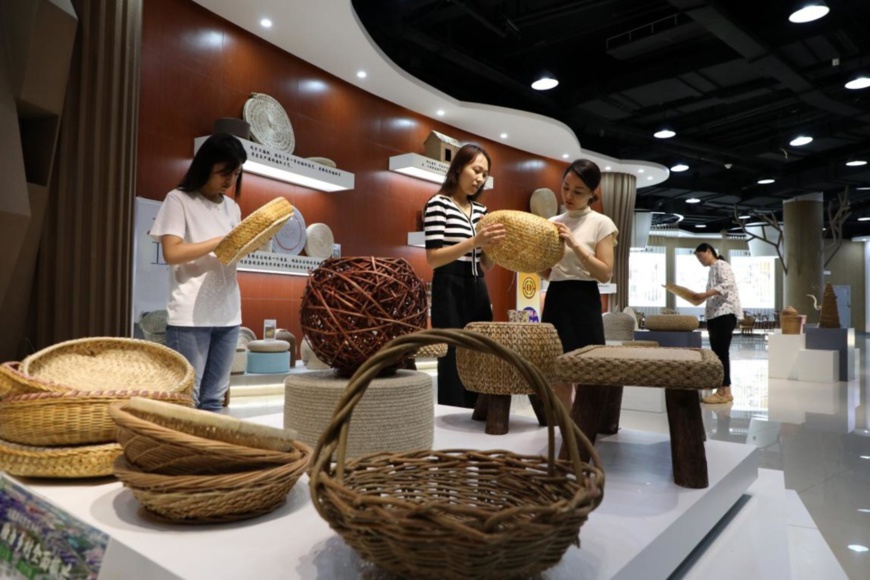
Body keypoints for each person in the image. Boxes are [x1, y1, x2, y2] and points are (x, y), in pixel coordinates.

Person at [149, 133, 247, 412]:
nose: (229, 181)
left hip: (228, 312)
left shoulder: (233, 207)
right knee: (186, 401)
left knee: (214, 400)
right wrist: (220, 242)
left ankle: (206, 455)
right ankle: (183, 455)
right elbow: (172, 253)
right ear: (205, 166)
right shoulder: (178, 200)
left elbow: (231, 254)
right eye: (223, 173)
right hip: (190, 315)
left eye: (236, 173)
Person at [423, 143, 506, 408]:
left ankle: (478, 412)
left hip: (477, 285)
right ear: (459, 167)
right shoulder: (438, 204)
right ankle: (452, 416)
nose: (480, 179)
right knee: (451, 354)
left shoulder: (483, 211)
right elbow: (433, 257)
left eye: (485, 174)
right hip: (448, 285)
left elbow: (486, 265)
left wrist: (492, 249)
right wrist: (474, 241)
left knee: (480, 351)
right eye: (477, 170)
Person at [539, 159, 618, 412]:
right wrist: (533, 256)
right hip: (557, 296)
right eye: (565, 188)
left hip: (584, 297)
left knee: (587, 369)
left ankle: (584, 428)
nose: (569, 196)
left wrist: (574, 243)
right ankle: (563, 429)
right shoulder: (552, 221)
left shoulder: (601, 223)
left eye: (578, 191)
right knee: (557, 369)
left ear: (593, 193)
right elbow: (548, 272)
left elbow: (605, 273)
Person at [692, 243, 741, 404]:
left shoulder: (721, 264)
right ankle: (725, 389)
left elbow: (727, 284)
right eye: (697, 258)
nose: (699, 260)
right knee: (719, 353)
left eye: (700, 256)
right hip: (715, 315)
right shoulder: (713, 269)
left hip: (724, 314)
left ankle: (723, 391)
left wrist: (705, 294)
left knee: (721, 353)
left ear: (708, 251)